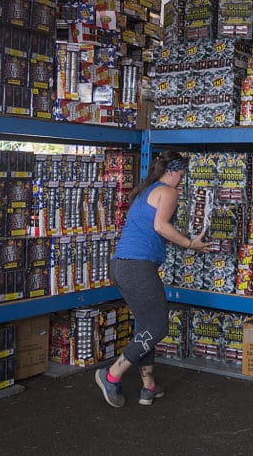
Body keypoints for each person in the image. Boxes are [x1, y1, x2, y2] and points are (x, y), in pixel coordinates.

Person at [94, 151, 210, 408]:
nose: (182, 179)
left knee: (147, 325)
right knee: (158, 328)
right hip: (138, 267)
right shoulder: (168, 192)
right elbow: (160, 226)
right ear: (173, 171)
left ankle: (149, 387)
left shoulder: (148, 190)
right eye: (181, 174)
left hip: (123, 265)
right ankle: (111, 375)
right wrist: (190, 243)